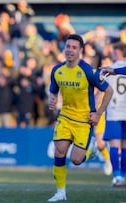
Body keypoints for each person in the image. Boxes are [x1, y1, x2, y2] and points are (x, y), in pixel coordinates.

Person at [47, 34, 113, 202]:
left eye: (74, 47)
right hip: (65, 117)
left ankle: (91, 148)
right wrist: (52, 98)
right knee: (59, 150)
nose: (70, 50)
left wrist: (98, 114)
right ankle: (60, 192)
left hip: (84, 121)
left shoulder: (89, 71)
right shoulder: (57, 70)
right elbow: (53, 90)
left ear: (80, 51)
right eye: (68, 46)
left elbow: (109, 90)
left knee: (76, 160)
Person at [100, 42, 126, 187]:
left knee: (115, 145)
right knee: (125, 145)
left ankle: (117, 176)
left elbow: (101, 90)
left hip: (114, 111)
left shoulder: (110, 69)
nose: (113, 53)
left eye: (115, 51)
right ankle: (122, 175)